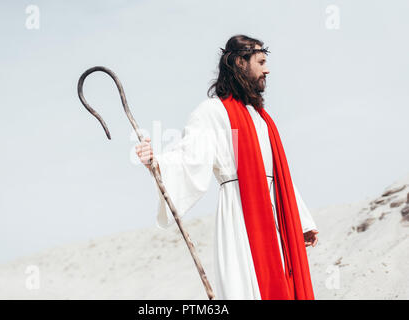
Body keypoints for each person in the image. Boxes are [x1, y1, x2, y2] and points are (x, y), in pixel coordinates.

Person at [135, 34, 319, 300]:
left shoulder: (262, 118)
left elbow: (277, 176)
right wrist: (156, 161)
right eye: (261, 61)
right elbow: (190, 157)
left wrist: (300, 220)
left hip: (276, 219)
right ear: (239, 63)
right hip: (241, 217)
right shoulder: (212, 112)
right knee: (246, 288)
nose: (268, 69)